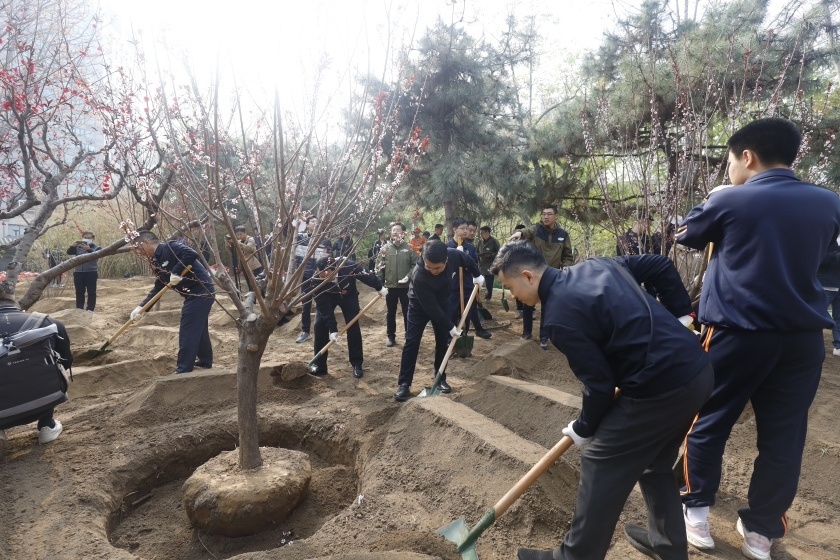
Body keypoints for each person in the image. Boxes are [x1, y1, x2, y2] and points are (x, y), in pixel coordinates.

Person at [676, 117, 840, 560]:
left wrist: (716, 198)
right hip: (803, 339)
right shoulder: (829, 202)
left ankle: (696, 514)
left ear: (747, 156)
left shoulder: (732, 200)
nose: (729, 170)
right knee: (784, 436)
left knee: (708, 419)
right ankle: (761, 533)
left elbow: (687, 235)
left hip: (737, 332)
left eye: (729, 161)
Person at [491, 241, 712, 560]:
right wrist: (683, 317)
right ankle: (668, 544)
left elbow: (600, 384)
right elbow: (660, 265)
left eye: (509, 287)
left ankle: (574, 557)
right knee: (656, 462)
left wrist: (584, 427)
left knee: (599, 458)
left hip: (662, 386)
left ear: (527, 276)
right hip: (697, 371)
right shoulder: (598, 265)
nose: (512, 295)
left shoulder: (558, 318)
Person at [394, 241, 483, 401]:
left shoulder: (453, 255)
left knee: (442, 342)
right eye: (429, 267)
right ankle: (404, 384)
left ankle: (440, 377)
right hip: (418, 307)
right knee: (411, 342)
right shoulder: (419, 275)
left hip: (443, 303)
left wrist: (477, 275)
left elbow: (466, 260)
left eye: (438, 268)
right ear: (422, 257)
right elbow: (431, 307)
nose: (433, 271)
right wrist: (450, 325)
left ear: (446, 261)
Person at [130, 231, 216, 375]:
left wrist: (175, 272)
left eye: (139, 247)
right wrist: (142, 308)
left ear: (146, 243)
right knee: (198, 327)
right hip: (191, 295)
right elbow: (159, 287)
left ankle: (183, 368)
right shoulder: (156, 262)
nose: (139, 251)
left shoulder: (170, 247)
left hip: (202, 291)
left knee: (188, 328)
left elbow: (191, 254)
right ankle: (205, 360)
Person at [0, 295, 72, 444]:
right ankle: (47, 425)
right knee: (52, 365)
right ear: (16, 305)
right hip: (45, 401)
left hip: (2, 412)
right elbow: (67, 362)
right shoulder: (48, 322)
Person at [308, 256, 386, 378]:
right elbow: (324, 308)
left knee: (353, 326)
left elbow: (365, 275)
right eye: (319, 274)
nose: (321, 277)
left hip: (349, 296)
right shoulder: (316, 281)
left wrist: (379, 287)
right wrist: (333, 329)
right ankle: (319, 365)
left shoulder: (348, 266)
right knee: (319, 325)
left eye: (324, 275)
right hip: (327, 298)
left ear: (333, 270)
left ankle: (357, 363)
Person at [510, 206, 574, 348]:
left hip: (552, 275)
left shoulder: (563, 234)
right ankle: (526, 333)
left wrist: (566, 266)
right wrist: (519, 232)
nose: (546, 217)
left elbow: (568, 255)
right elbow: (527, 231)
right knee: (528, 305)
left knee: (547, 307)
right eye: (543, 214)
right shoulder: (536, 229)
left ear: (556, 216)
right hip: (533, 274)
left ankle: (544, 337)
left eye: (549, 214)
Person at [447, 218, 492, 340]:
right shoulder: (447, 247)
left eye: (467, 228)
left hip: (467, 283)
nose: (466, 231)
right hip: (452, 285)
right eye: (462, 228)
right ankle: (449, 336)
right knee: (451, 310)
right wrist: (455, 255)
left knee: (470, 309)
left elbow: (473, 265)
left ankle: (471, 330)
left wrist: (463, 256)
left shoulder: (470, 248)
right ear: (455, 229)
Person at [377, 223, 418, 347]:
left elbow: (415, 265)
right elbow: (379, 267)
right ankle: (391, 336)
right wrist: (380, 284)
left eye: (398, 230)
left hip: (406, 287)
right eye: (393, 230)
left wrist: (408, 277)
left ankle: (409, 336)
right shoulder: (385, 249)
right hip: (390, 287)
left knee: (408, 312)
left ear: (403, 233)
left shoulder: (410, 248)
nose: (395, 232)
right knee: (391, 313)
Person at [293, 216, 331, 344]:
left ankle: (327, 329)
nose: (316, 223)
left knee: (323, 303)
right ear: (307, 224)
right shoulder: (300, 237)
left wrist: (324, 274)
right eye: (313, 221)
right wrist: (297, 223)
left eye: (318, 221)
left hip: (319, 277)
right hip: (305, 276)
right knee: (306, 304)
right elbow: (289, 237)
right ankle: (305, 331)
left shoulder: (325, 240)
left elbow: (328, 260)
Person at [66, 231, 100, 312]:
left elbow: (96, 256)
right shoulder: (78, 247)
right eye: (85, 238)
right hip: (78, 272)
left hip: (91, 272)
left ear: (93, 238)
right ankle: (79, 308)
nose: (87, 239)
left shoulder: (97, 248)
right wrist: (72, 246)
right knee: (79, 291)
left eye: (89, 238)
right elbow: (69, 252)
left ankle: (90, 309)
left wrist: (89, 250)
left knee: (91, 291)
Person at [820, 235, 840, 356]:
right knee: (817, 313)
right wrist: (835, 256)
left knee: (839, 317)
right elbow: (820, 260)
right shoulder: (829, 241)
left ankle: (838, 345)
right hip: (827, 285)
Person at [233, 225, 264, 292]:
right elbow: (233, 252)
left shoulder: (250, 239)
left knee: (258, 282)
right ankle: (253, 299)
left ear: (245, 233)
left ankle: (263, 296)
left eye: (241, 234)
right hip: (244, 265)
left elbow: (250, 249)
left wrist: (239, 244)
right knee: (249, 283)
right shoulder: (238, 242)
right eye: (237, 235)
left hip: (253, 265)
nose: (239, 236)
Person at [476, 226, 500, 301]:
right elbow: (476, 251)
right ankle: (476, 296)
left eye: (482, 233)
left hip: (490, 265)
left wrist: (491, 255)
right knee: (477, 281)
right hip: (481, 265)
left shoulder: (494, 242)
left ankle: (488, 297)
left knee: (489, 282)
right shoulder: (480, 242)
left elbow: (499, 253)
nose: (481, 234)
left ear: (487, 232)